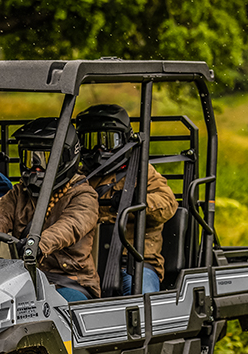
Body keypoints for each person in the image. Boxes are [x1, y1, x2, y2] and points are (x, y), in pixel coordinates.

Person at [0, 117, 100, 301]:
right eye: (29, 158)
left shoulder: (84, 195)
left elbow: (70, 226)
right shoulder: (19, 192)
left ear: (65, 158)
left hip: (70, 281)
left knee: (62, 306)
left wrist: (38, 244)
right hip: (24, 278)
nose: (35, 168)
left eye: (44, 159)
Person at [75, 104, 178, 295]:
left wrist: (133, 201)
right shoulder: (79, 178)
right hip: (85, 263)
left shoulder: (141, 172)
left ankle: (145, 324)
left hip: (134, 260)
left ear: (124, 140)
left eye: (108, 141)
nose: (99, 149)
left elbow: (168, 204)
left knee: (140, 296)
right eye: (91, 141)